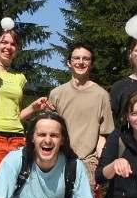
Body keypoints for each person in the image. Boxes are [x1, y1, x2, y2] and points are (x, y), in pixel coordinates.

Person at [0, 28, 52, 179]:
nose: (8, 47)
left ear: (17, 49)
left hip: (18, 138)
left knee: (18, 186)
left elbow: (17, 115)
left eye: (13, 44)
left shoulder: (20, 78)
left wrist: (34, 107)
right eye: (4, 42)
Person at [48, 42, 114, 189]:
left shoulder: (102, 95)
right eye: (76, 58)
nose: (81, 62)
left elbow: (104, 134)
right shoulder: (56, 94)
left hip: (88, 162)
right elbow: (49, 131)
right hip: (59, 159)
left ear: (91, 63)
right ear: (69, 63)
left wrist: (98, 164)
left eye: (86, 59)